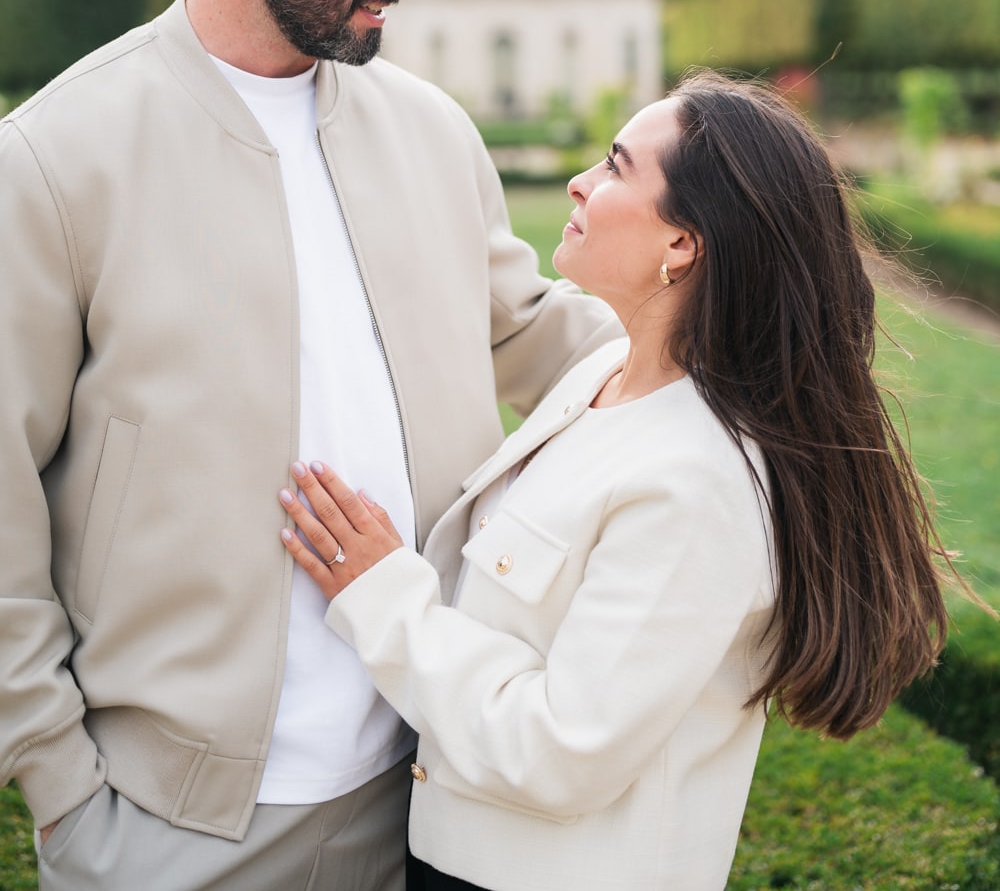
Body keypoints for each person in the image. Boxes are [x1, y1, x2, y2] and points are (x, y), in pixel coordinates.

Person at [0, 0, 621, 891]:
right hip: (170, 834)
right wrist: (61, 786)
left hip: (434, 796)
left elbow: (533, 332)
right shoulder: (54, 157)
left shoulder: (432, 131)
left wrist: (749, 372)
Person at [277, 71, 963, 891]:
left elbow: (562, 750)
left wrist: (381, 592)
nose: (580, 180)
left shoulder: (700, 482)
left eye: (614, 165)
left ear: (682, 245)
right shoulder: (605, 373)